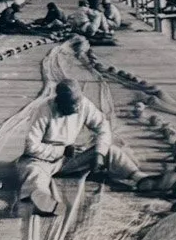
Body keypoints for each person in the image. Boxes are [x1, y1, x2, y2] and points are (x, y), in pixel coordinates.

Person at [13, 78, 149, 217]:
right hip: (41, 160)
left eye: (78, 102)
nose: (77, 107)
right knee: (33, 173)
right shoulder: (43, 111)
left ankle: (141, 179)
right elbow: (31, 146)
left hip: (68, 159)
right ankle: (40, 201)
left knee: (111, 150)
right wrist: (61, 150)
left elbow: (103, 127)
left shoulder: (83, 104)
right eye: (72, 104)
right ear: (59, 101)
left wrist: (99, 154)